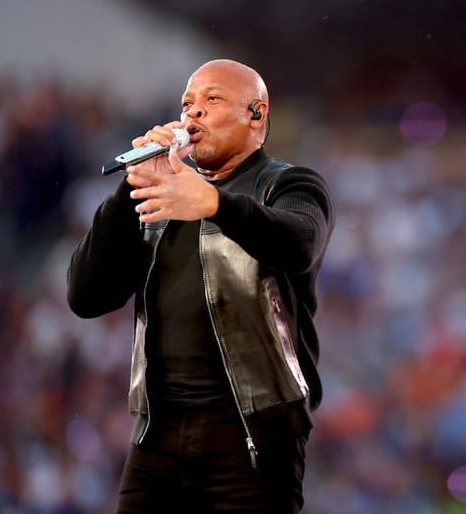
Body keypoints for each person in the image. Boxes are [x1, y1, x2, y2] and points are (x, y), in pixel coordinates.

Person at [67, 59, 334, 512]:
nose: (193, 113)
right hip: (157, 434)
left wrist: (215, 204)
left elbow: (300, 244)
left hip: (252, 436)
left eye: (212, 99)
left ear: (256, 113)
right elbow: (86, 297)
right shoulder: (161, 198)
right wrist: (134, 186)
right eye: (187, 104)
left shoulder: (288, 184)